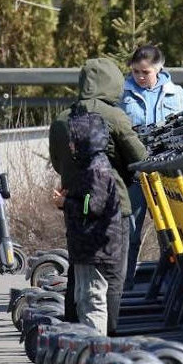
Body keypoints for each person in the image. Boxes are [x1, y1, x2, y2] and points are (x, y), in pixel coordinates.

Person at [49, 57, 146, 335]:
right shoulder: (114, 116)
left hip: (74, 204)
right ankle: (109, 336)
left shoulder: (61, 120)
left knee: (79, 272)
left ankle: (72, 332)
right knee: (113, 277)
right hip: (114, 207)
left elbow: (58, 162)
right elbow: (139, 158)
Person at [119, 45, 183, 290]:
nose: (140, 77)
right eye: (136, 72)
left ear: (159, 68)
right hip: (136, 175)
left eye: (145, 72)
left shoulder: (178, 94)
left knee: (173, 232)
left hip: (167, 175)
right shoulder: (122, 94)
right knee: (129, 232)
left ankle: (175, 285)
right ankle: (123, 286)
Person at [52, 107, 125, 335]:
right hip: (87, 247)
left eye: (74, 141)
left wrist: (66, 203)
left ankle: (96, 350)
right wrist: (71, 196)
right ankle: (89, 345)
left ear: (85, 141)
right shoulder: (92, 167)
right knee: (83, 297)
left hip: (95, 249)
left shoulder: (97, 170)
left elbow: (92, 206)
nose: (71, 146)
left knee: (92, 299)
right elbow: (87, 199)